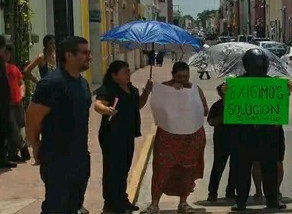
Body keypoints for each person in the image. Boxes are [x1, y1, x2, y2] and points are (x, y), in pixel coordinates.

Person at [25, 36, 93, 213]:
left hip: (80, 159)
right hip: (57, 160)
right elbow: (32, 119)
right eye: (84, 53)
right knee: (56, 208)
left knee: (75, 206)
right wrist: (36, 145)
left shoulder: (83, 84)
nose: (89, 56)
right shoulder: (51, 84)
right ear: (69, 56)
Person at [144, 61, 208, 213]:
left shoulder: (194, 89)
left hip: (190, 139)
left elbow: (204, 110)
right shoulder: (164, 88)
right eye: (179, 77)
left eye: (186, 77)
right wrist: (171, 94)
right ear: (173, 75)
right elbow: (157, 109)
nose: (183, 80)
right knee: (161, 170)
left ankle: (183, 202)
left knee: (187, 171)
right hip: (168, 138)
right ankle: (154, 203)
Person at [230, 48, 287, 211]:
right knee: (242, 169)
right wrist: (227, 92)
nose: (259, 69)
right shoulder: (237, 84)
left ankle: (272, 200)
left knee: (270, 169)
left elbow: (278, 110)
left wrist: (285, 92)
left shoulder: (273, 85)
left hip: (268, 134)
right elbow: (231, 107)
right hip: (244, 134)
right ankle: (241, 201)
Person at [93, 60, 153, 213]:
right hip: (111, 136)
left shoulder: (132, 89)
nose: (128, 73)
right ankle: (111, 203)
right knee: (113, 169)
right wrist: (106, 109)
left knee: (124, 168)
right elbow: (97, 104)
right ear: (114, 75)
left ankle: (122, 198)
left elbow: (137, 105)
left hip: (128, 134)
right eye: (124, 71)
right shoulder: (109, 89)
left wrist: (146, 91)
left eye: (128, 70)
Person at [206, 83, 237, 201]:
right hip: (221, 140)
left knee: (235, 167)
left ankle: (231, 190)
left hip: (236, 139)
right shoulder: (217, 106)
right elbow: (211, 121)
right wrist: (222, 118)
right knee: (218, 166)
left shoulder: (236, 104)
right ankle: (212, 192)